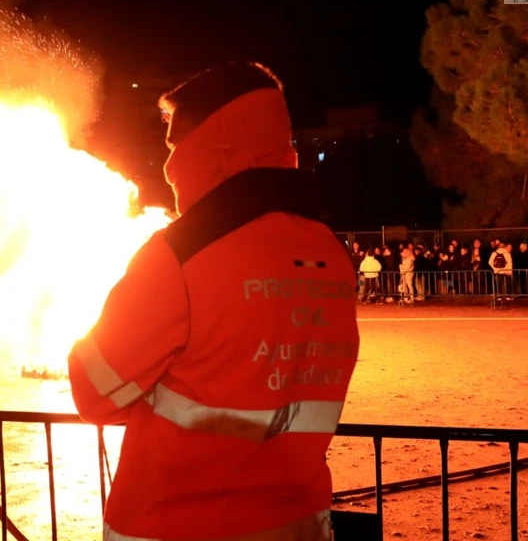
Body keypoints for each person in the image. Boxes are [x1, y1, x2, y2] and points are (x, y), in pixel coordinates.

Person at [67, 62, 360, 541]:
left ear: (215, 142)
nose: (168, 162)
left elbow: (93, 391)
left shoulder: (180, 253)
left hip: (175, 525)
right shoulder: (328, 249)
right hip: (297, 522)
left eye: (174, 142)